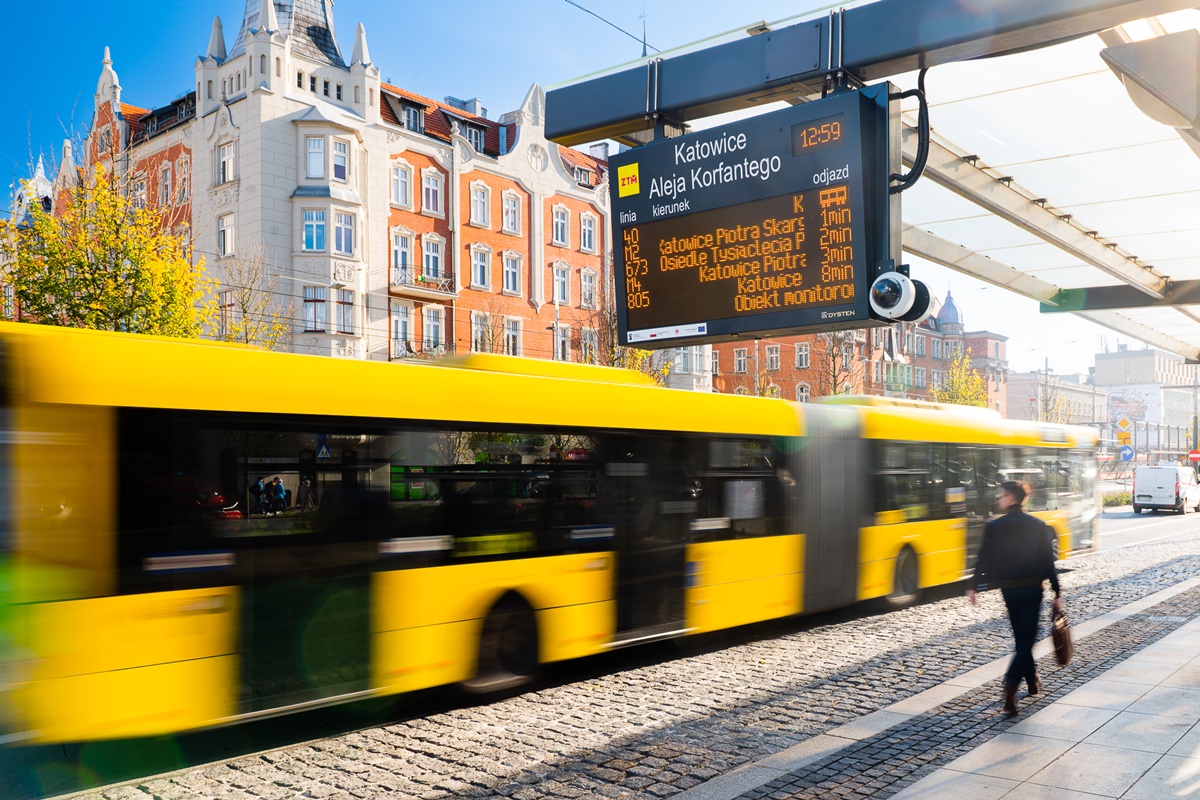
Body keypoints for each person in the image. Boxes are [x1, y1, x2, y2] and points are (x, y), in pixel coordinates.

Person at [968, 480, 1064, 717]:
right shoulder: (1039, 525)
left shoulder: (995, 526)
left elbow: (983, 557)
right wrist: (1057, 592)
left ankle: (1031, 680)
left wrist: (973, 587)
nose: (998, 499)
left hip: (1009, 591)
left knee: (1022, 638)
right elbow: (1047, 562)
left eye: (1000, 495)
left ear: (1011, 498)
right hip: (1033, 589)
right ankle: (1010, 687)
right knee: (1026, 640)